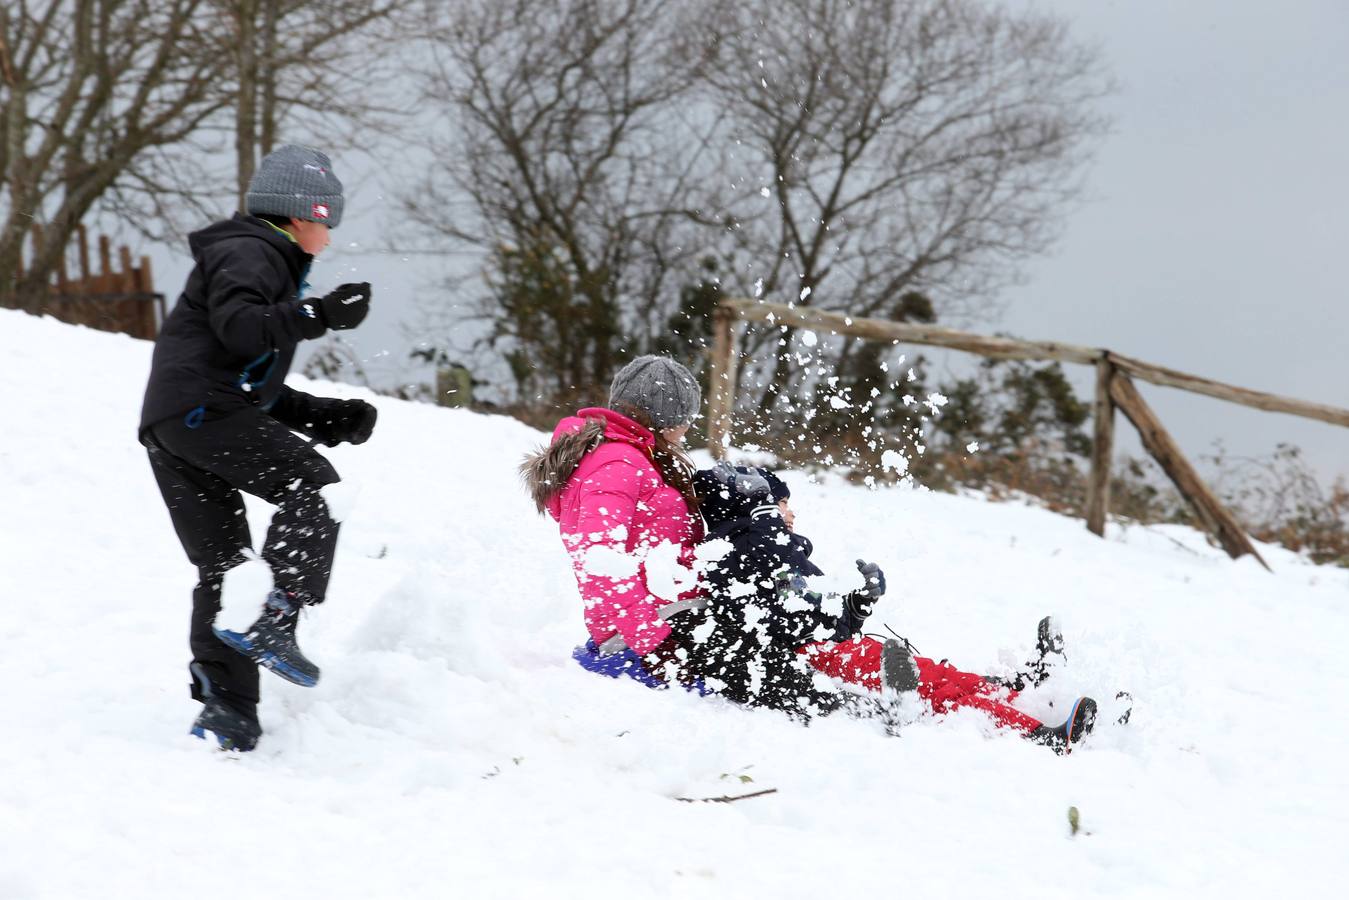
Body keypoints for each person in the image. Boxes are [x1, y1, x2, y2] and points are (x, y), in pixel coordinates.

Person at [139, 144, 377, 751]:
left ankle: (228, 710)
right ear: (302, 214)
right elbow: (242, 328)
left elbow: (245, 375)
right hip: (201, 412)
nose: (329, 236)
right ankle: (278, 613)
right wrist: (319, 313)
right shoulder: (252, 250)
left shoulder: (250, 255)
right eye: (328, 220)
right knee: (314, 486)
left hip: (176, 423)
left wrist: (321, 415)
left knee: (227, 566)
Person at [699, 464, 1099, 753]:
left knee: (939, 676)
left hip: (832, 649)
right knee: (936, 693)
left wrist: (857, 604)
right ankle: (1037, 737)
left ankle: (1027, 695)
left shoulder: (777, 553)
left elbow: (815, 617)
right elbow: (780, 621)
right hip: (815, 661)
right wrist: (766, 520)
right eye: (782, 503)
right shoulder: (743, 552)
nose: (791, 513)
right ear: (757, 507)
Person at [522, 355, 706, 682]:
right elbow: (602, 562)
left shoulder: (628, 456)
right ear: (665, 419)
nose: (688, 428)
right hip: (649, 627)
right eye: (687, 418)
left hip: (661, 613)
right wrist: (656, 645)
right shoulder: (617, 463)